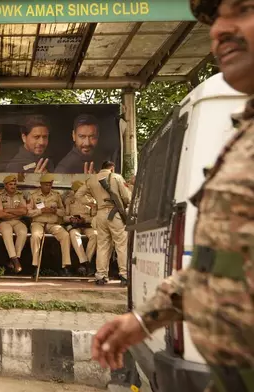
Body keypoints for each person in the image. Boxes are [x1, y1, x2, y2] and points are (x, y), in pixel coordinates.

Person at [91, 2, 254, 390]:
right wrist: (146, 318)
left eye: (243, 9)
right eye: (215, 21)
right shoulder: (242, 134)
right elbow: (221, 261)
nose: (218, 31)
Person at [75, 161, 130, 285]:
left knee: (103, 245)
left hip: (100, 213)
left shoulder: (91, 179)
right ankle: (124, 275)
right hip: (114, 214)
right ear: (112, 167)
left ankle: (101, 275)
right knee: (121, 244)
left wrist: (91, 203)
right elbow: (126, 197)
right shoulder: (116, 177)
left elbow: (78, 194)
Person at [27, 174, 72, 276]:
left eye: (50, 185)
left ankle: (65, 266)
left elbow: (63, 212)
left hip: (53, 223)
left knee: (65, 235)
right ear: (41, 185)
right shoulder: (33, 195)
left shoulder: (56, 195)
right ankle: (35, 266)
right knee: (35, 236)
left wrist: (55, 211)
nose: (48, 187)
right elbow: (28, 213)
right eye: (46, 185)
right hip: (38, 223)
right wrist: (41, 210)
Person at [0, 175, 27, 274]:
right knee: (7, 232)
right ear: (5, 185)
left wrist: (8, 210)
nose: (13, 186)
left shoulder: (20, 195)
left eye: (14, 184)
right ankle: (15, 260)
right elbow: (0, 214)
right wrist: (17, 212)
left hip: (18, 221)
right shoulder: (0, 196)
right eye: (10, 184)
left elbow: (24, 211)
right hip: (4, 222)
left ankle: (14, 259)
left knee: (23, 231)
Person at [64, 180, 97, 276]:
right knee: (74, 234)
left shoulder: (91, 200)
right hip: (75, 226)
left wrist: (85, 220)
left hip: (87, 225)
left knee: (95, 235)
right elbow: (64, 217)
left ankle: (85, 262)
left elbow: (94, 217)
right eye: (75, 190)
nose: (77, 192)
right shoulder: (69, 201)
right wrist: (71, 218)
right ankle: (84, 263)